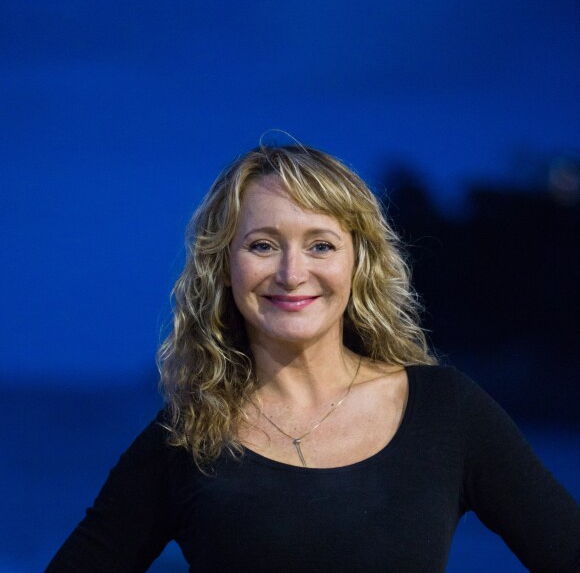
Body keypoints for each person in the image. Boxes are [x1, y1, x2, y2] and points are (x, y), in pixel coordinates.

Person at [48, 143, 580, 572]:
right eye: (262, 245)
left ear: (358, 262)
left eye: (320, 245)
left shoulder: (448, 412)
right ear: (224, 267)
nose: (291, 272)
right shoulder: (189, 436)